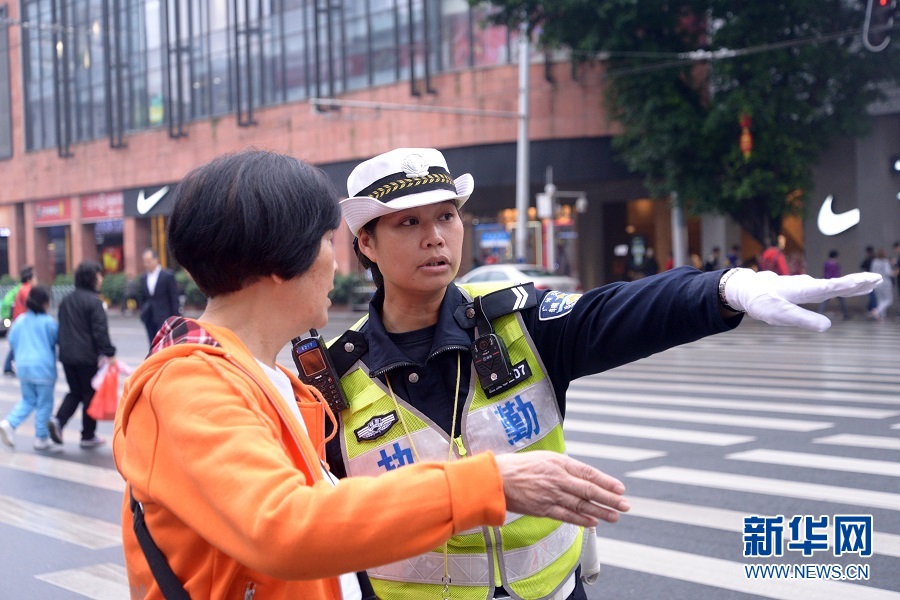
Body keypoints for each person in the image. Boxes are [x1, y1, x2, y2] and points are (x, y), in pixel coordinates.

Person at [329, 147, 881, 600]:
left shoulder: (515, 322)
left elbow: (615, 310)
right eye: (409, 222)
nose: (436, 237)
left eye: (446, 215)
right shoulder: (333, 377)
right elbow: (319, 523)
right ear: (367, 244)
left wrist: (724, 289)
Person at [111, 150, 629, 600]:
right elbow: (287, 526)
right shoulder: (190, 386)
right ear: (277, 261)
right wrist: (489, 482)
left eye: (447, 217)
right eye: (324, 242)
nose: (335, 264)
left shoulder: (266, 382)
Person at [48, 261, 117, 449]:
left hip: (67, 356)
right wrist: (110, 353)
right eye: (99, 275)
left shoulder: (66, 300)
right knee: (89, 394)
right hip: (86, 357)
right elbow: (100, 331)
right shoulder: (94, 301)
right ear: (91, 278)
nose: (101, 278)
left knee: (76, 391)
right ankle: (88, 435)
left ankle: (58, 421)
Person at [0, 286, 59, 451]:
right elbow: (57, 340)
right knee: (45, 403)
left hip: (23, 368)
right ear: (45, 303)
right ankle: (41, 438)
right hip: (43, 369)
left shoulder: (20, 320)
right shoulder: (48, 322)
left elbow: (11, 341)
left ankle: (9, 423)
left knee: (28, 400)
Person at [138, 248, 181, 343]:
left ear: (156, 259)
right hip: (149, 316)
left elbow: (174, 298)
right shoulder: (143, 278)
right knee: (152, 343)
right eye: (145, 262)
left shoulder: (167, 275)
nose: (146, 264)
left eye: (149, 261)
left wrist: (175, 317)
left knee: (164, 343)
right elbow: (142, 298)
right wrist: (142, 311)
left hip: (164, 316)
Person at [3, 266, 34, 376]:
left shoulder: (19, 288)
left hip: (18, 319)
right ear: (30, 278)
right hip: (25, 320)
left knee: (19, 343)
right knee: (22, 343)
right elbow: (31, 305)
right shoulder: (27, 289)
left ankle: (8, 365)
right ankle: (9, 366)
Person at [817, 250, 850, 320]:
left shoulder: (826, 263)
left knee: (825, 300)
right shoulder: (836, 264)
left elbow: (825, 273)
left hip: (828, 283)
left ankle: (820, 314)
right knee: (841, 300)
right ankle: (846, 314)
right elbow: (837, 274)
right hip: (836, 284)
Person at [870, 248, 894, 321]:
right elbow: (888, 272)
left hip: (877, 282)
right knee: (888, 300)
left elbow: (872, 271)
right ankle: (877, 311)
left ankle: (882, 316)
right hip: (885, 282)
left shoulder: (874, 262)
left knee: (880, 300)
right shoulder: (885, 262)